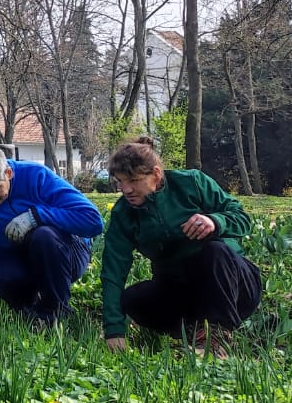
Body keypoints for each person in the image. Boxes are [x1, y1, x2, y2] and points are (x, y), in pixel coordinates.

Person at [101, 137, 260, 357]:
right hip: (181, 290)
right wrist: (114, 330)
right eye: (120, 181)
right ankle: (193, 332)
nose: (126, 189)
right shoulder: (123, 214)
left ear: (156, 174)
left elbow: (243, 219)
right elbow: (113, 271)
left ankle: (216, 339)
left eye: (134, 180)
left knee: (215, 251)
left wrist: (215, 222)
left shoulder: (192, 183)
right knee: (133, 298)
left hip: (232, 284)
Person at [0, 144, 104, 327]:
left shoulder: (36, 175)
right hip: (14, 251)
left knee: (44, 236)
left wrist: (37, 216)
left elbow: (93, 220)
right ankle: (29, 311)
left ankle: (55, 312)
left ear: (9, 173)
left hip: (64, 251)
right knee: (4, 273)